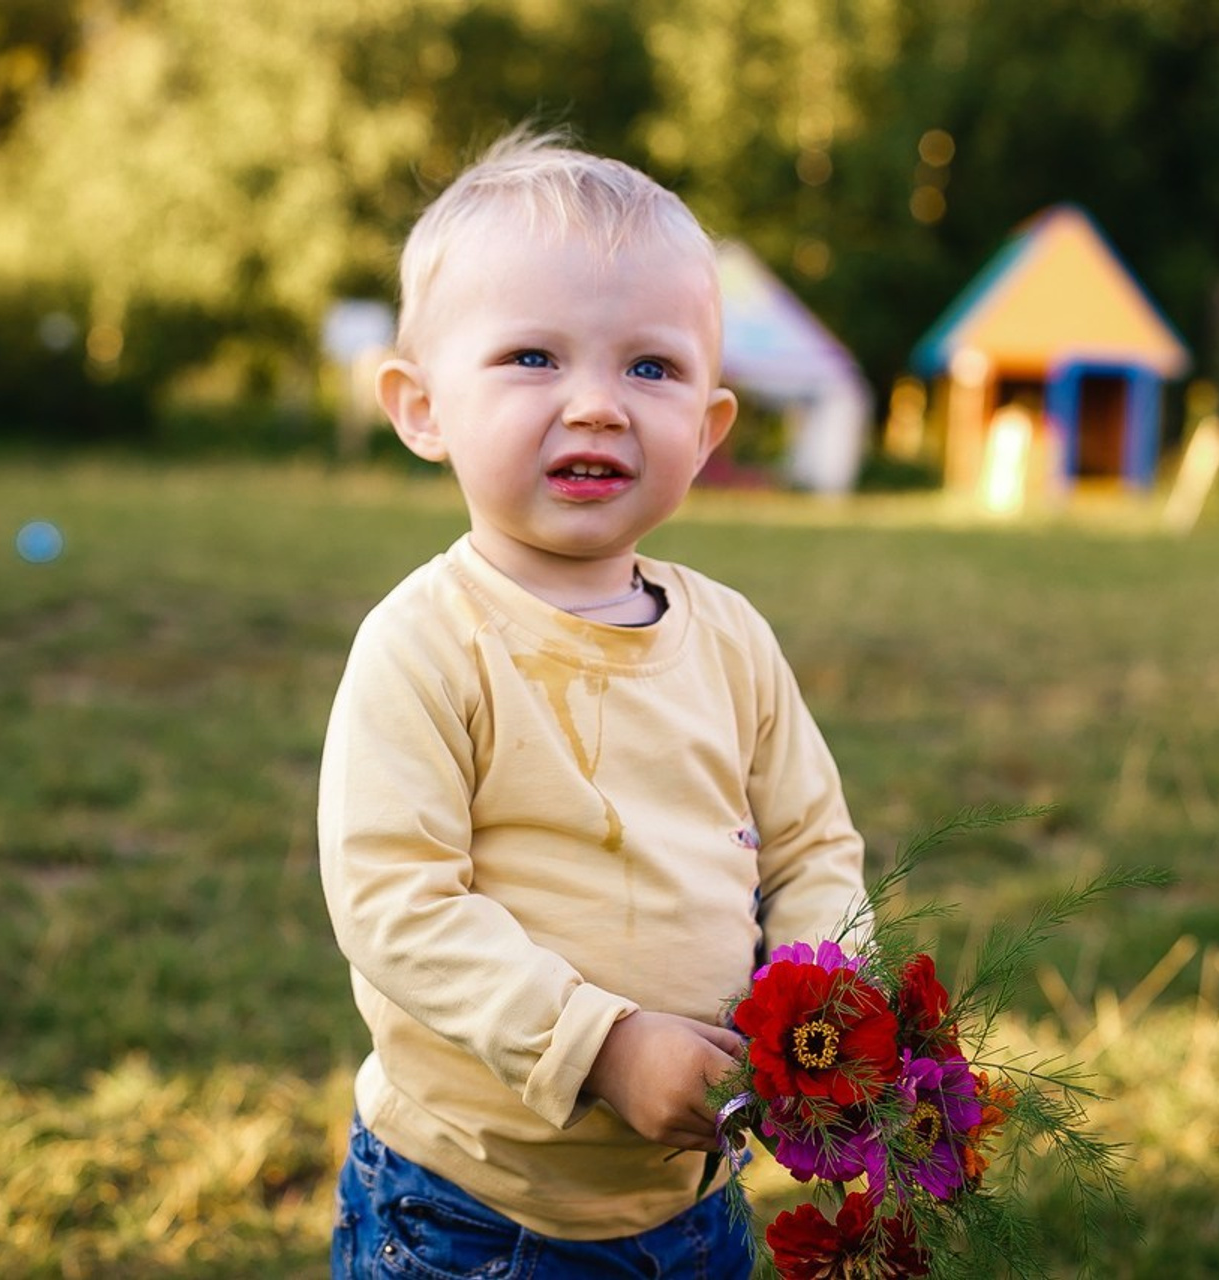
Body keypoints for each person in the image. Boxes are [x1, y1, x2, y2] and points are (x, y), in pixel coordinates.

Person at [318, 129, 866, 1279]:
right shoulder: (425, 644)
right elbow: (394, 900)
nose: (597, 406)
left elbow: (813, 840)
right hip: (472, 1208)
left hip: (694, 1198)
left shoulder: (729, 640)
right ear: (420, 407)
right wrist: (603, 1043)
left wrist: (825, 1004)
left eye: (649, 368)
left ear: (708, 431)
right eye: (531, 357)